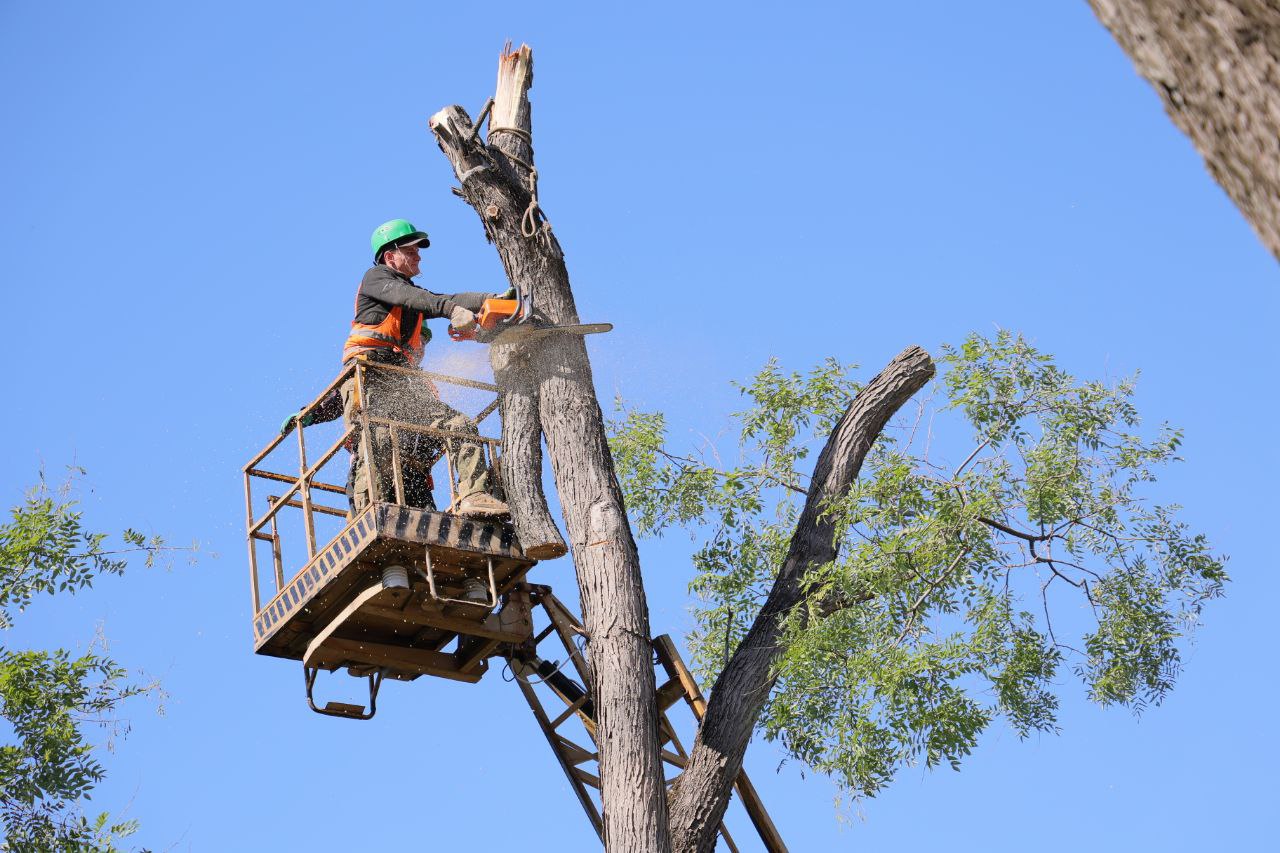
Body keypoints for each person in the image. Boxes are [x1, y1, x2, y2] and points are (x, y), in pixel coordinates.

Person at [283, 218, 510, 518]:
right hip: (372, 378)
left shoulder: (412, 317)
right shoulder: (376, 279)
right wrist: (310, 413)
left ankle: (475, 496)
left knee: (460, 426)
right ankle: (372, 512)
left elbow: (442, 299)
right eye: (411, 250)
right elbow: (343, 396)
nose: (419, 256)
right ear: (390, 256)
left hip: (402, 387)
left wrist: (488, 300)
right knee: (377, 442)